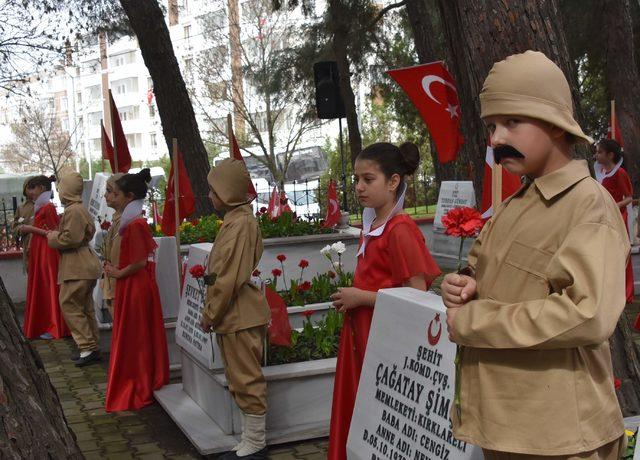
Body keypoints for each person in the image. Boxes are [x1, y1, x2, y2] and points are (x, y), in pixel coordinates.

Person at [442, 50, 628, 459]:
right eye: (492, 125)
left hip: (558, 437)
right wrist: (463, 285)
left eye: (512, 121)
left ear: (557, 125)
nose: (496, 139)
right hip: (509, 428)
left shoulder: (587, 205)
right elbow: (489, 273)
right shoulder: (515, 204)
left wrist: (474, 321)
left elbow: (587, 313)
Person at [327, 142, 441, 460]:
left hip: (384, 339)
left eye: (368, 179)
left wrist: (361, 297)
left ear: (393, 182)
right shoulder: (374, 224)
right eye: (356, 180)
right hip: (363, 334)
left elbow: (416, 296)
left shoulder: (400, 230)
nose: (360, 187)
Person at [199, 158, 271, 460]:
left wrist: (210, 313)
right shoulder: (236, 220)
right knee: (239, 378)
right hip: (234, 313)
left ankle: (255, 443)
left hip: (238, 313)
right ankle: (249, 440)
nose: (210, 196)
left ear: (228, 191)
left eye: (214, 190)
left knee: (246, 378)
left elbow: (227, 277)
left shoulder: (240, 224)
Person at [103, 169, 169, 412]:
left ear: (129, 197)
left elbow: (141, 261)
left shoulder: (136, 224)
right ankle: (134, 380)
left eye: (114, 193)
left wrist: (119, 272)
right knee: (132, 335)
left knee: (137, 337)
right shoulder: (129, 222)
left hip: (136, 286)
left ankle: (138, 383)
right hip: (130, 285)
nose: (109, 196)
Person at [47, 172, 102, 367]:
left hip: (76, 265)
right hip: (82, 263)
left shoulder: (73, 211)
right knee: (84, 307)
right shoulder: (79, 209)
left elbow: (70, 239)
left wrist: (52, 237)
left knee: (69, 305)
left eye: (62, 188)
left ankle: (87, 347)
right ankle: (91, 347)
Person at [18, 175, 69, 339]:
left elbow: (53, 232)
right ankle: (48, 324)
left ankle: (54, 326)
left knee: (48, 287)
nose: (30, 193)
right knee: (45, 287)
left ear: (41, 188)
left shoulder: (47, 207)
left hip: (47, 252)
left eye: (32, 189)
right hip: (41, 251)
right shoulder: (43, 206)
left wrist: (30, 229)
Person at [595, 138, 634, 303]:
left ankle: (627, 291)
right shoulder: (600, 172)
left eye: (599, 152)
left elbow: (629, 198)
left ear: (610, 155)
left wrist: (613, 205)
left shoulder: (619, 173)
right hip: (605, 217)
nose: (596, 155)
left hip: (618, 217)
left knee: (621, 253)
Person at [102, 173, 124, 318]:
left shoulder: (126, 222)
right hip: (113, 280)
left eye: (109, 191)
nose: (105, 195)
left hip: (119, 283)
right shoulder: (118, 219)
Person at [11, 177, 35, 272]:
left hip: (42, 246)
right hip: (28, 248)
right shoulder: (21, 208)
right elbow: (15, 226)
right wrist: (21, 229)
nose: (32, 190)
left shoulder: (43, 205)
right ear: (24, 189)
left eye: (34, 187)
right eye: (29, 187)